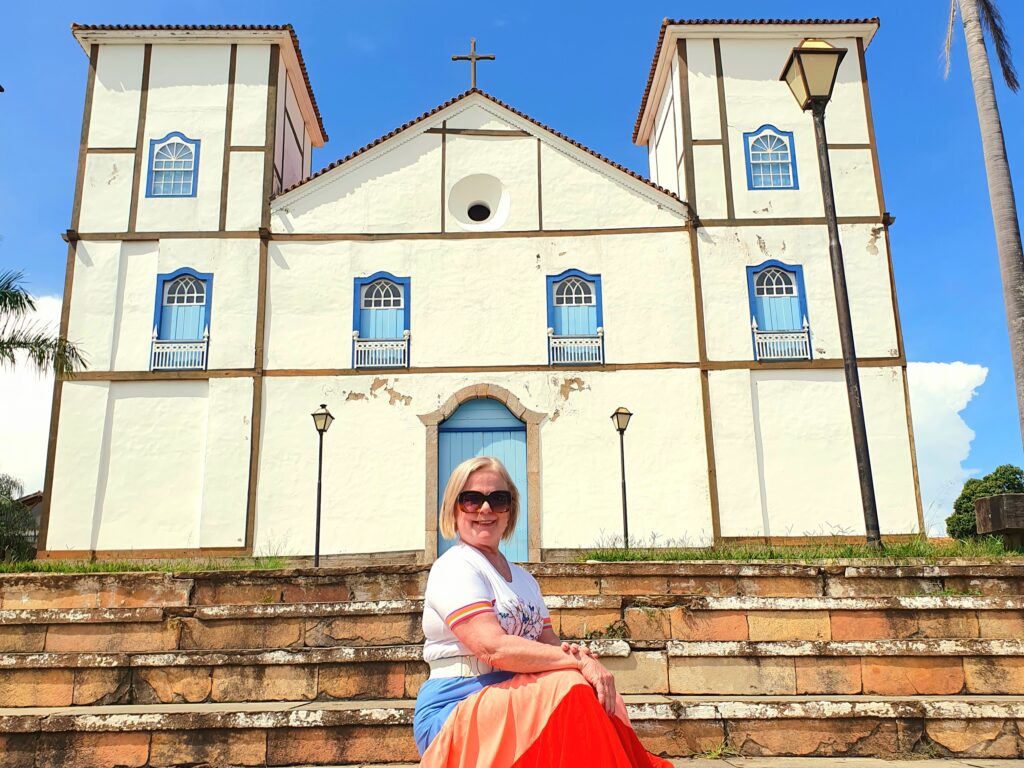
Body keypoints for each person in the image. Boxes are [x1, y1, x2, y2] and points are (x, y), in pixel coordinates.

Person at [414, 455, 671, 767]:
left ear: (510, 510)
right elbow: (492, 647)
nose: (485, 509)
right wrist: (578, 663)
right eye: (471, 500)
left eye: (498, 499)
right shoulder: (454, 567)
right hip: (456, 705)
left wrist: (582, 661)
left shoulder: (524, 579)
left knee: (597, 691)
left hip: (517, 694)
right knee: (571, 687)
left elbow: (548, 641)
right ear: (454, 508)